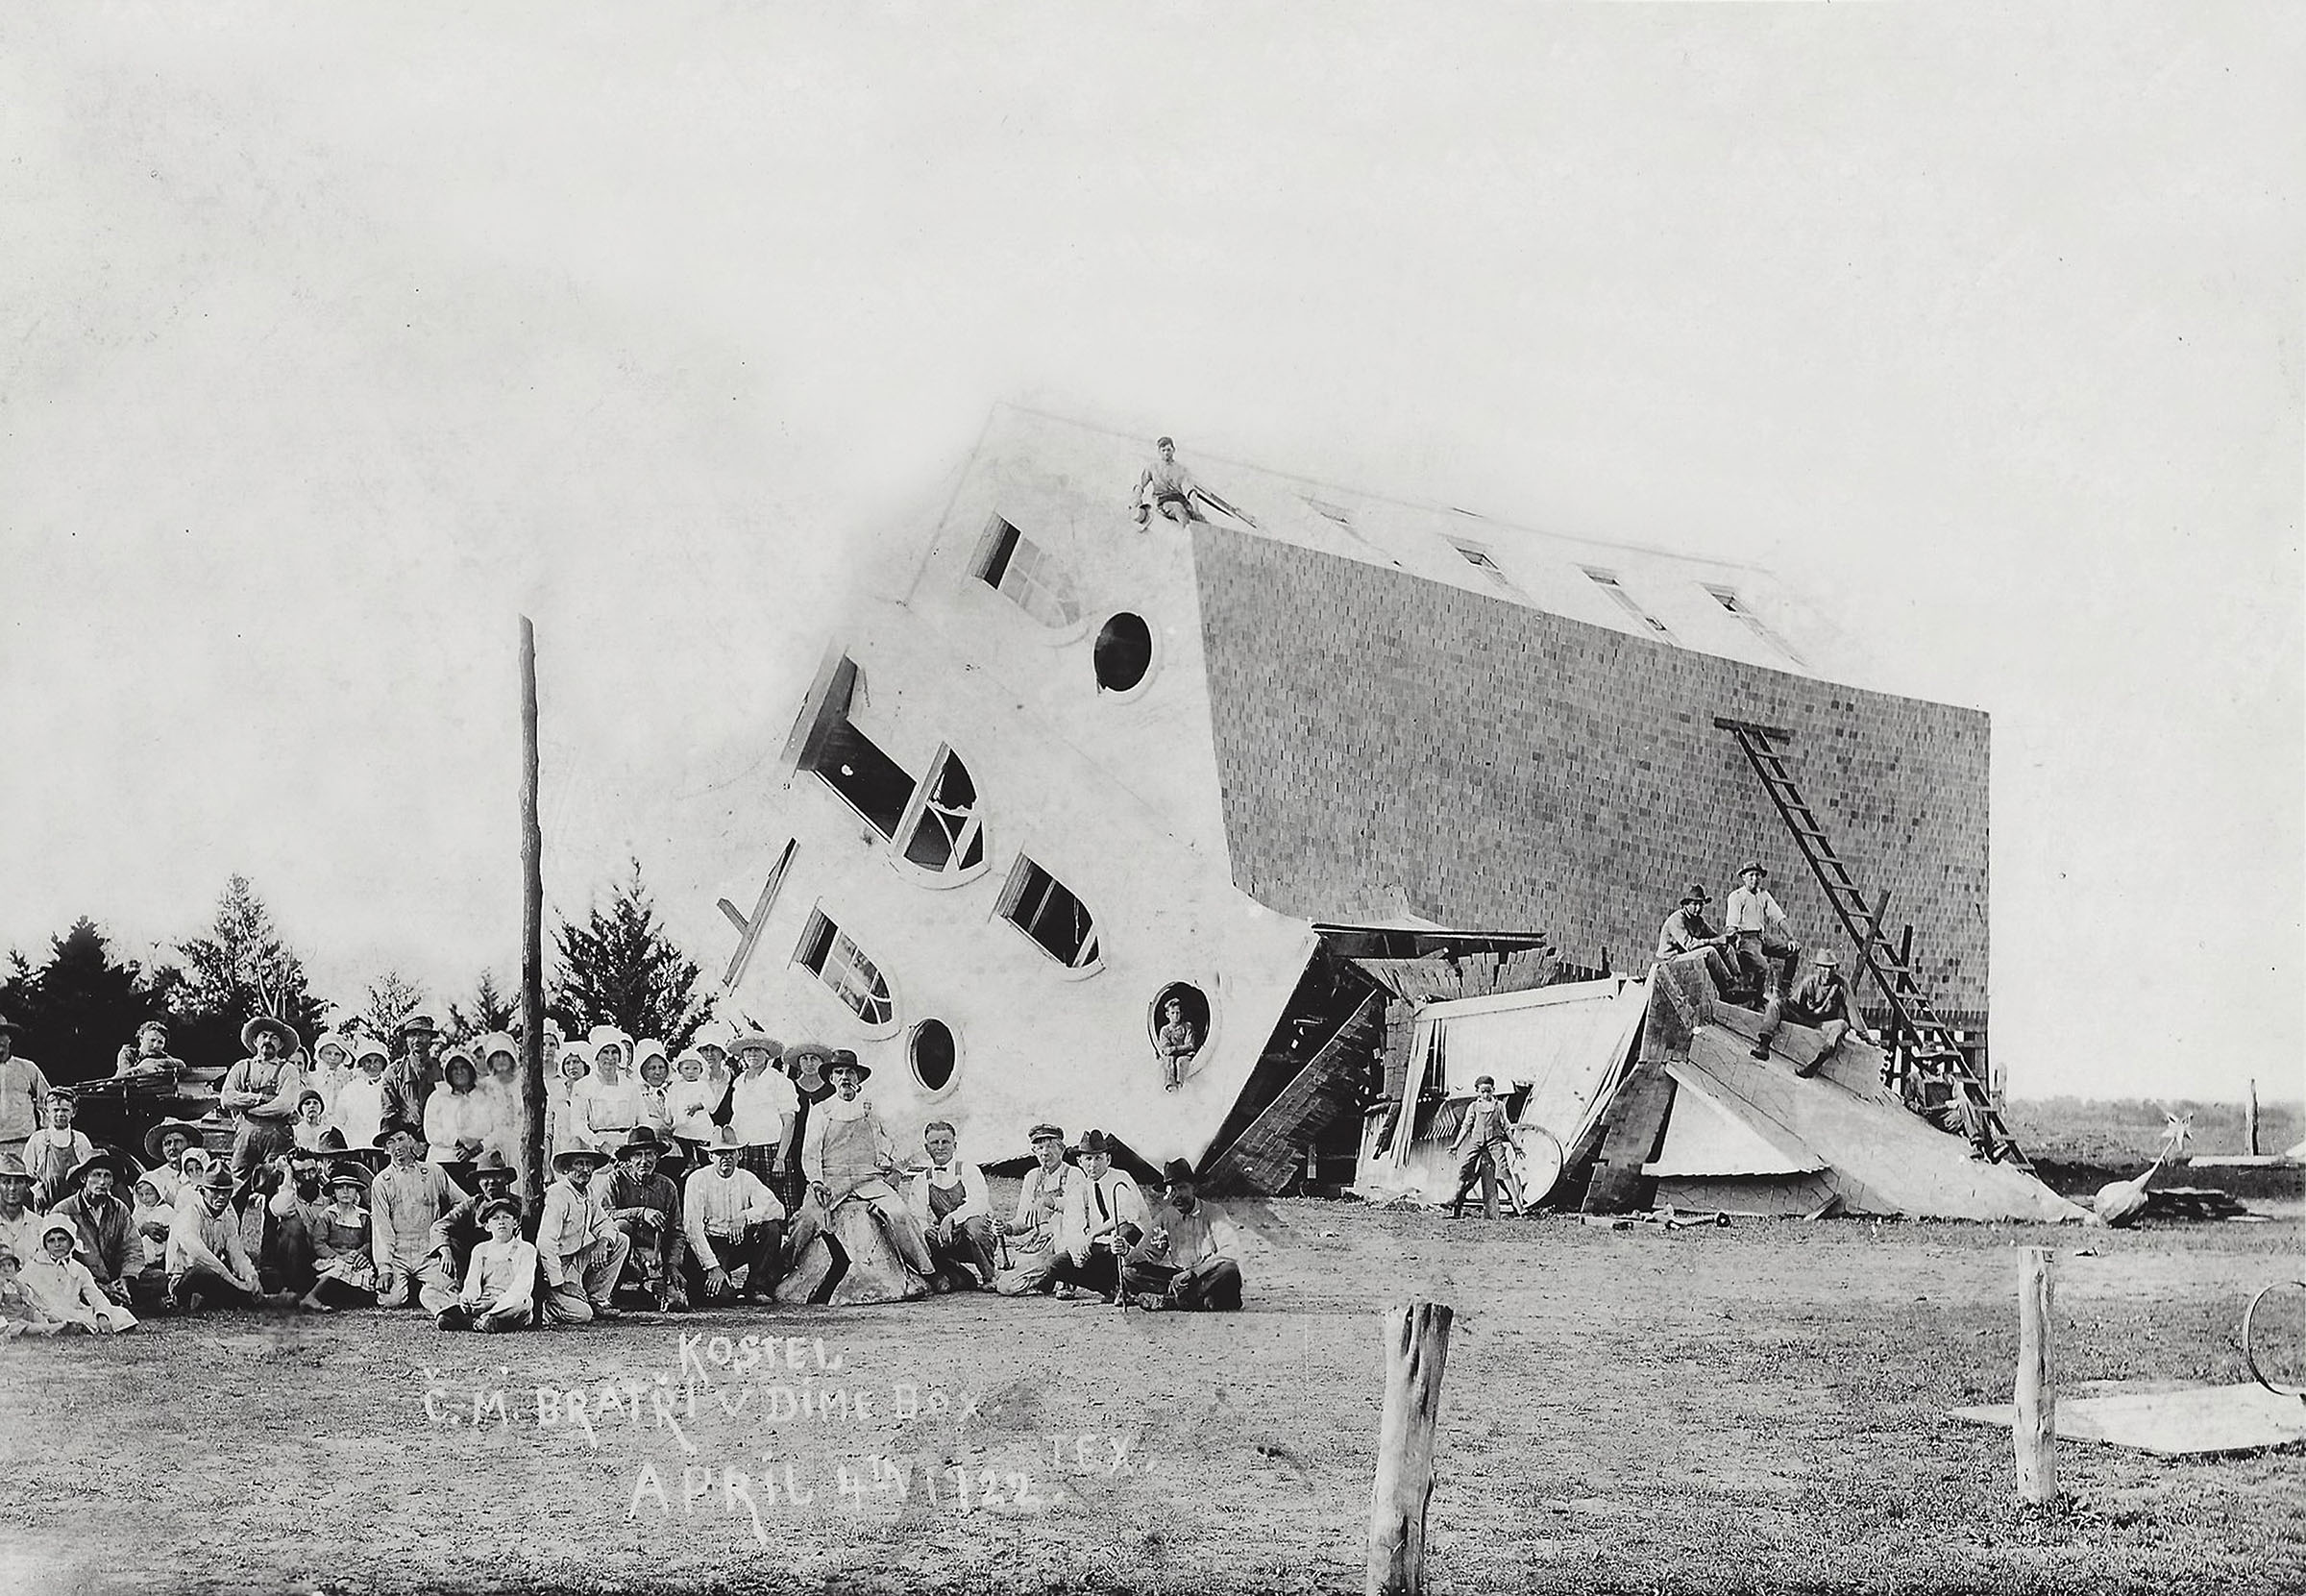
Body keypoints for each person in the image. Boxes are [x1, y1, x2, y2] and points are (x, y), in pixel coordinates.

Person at [795, 1053, 932, 1279]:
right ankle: (771, 1275)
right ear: (831, 1078)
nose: (844, 1078)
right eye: (839, 1073)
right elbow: (810, 1153)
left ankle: (927, 1269)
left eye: (850, 1072)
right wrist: (816, 1181)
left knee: (900, 1214)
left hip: (869, 1178)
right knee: (806, 1219)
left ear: (859, 1078)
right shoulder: (821, 1109)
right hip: (831, 1179)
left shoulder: (872, 1108)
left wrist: (897, 1171)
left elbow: (903, 1141)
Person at [368, 1118, 469, 1310]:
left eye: (400, 1139)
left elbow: (463, 1202)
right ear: (384, 1149)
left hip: (429, 1248)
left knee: (449, 1290)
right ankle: (405, 1286)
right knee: (391, 1300)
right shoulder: (381, 1182)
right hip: (398, 1250)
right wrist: (384, 1268)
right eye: (390, 1142)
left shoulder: (433, 1171)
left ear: (411, 1141)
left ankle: (426, 1291)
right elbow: (381, 1228)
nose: (397, 1147)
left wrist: (444, 1233)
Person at [682, 1126, 786, 1305]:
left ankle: (756, 1286)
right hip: (710, 1244)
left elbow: (778, 1209)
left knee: (772, 1229)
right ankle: (723, 1283)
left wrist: (745, 1217)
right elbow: (692, 1229)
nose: (726, 1157)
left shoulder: (747, 1178)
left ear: (740, 1155)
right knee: (722, 1298)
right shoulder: (698, 1179)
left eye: (731, 1152)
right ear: (710, 1156)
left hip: (737, 1243)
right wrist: (712, 1266)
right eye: (720, 1153)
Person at [1122, 1161, 1243, 1312]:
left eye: (1182, 1188)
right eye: (1171, 1190)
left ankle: (1174, 1302)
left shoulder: (1214, 1213)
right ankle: (1195, 1300)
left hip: (1209, 1275)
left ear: (1194, 1187)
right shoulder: (1165, 1218)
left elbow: (1230, 1251)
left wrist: (1194, 1272)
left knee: (1229, 1270)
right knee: (1131, 1272)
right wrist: (1126, 1251)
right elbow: (1146, 1253)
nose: (1177, 1195)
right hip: (1180, 1280)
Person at [536, 1142, 629, 1323]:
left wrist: (602, 1242)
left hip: (575, 1260)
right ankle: (546, 1305)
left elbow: (605, 1223)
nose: (585, 1169)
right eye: (579, 1163)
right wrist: (560, 1284)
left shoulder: (588, 1192)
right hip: (553, 1267)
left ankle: (597, 1299)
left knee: (620, 1240)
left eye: (589, 1164)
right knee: (582, 1314)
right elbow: (545, 1244)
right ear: (566, 1168)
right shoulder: (558, 1194)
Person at [598, 1126, 687, 1312]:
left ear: (658, 1157)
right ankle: (608, 1291)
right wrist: (641, 1212)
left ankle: (647, 1289)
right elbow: (603, 1215)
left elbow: (677, 1232)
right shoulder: (614, 1180)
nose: (644, 1161)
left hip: (652, 1258)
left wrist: (672, 1264)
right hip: (619, 1255)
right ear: (629, 1159)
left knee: (677, 1302)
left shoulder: (667, 1187)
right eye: (638, 1155)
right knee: (620, 1227)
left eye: (649, 1154)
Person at [1050, 1129, 1144, 1302]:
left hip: (1128, 1243)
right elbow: (1072, 1226)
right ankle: (1110, 1289)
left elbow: (1127, 1215)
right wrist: (1077, 1248)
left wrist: (1093, 1234)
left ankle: (1127, 1287)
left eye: (1098, 1158)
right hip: (1100, 1247)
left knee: (1126, 1232)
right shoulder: (1079, 1188)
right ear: (1080, 1162)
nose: (1093, 1164)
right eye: (1088, 1159)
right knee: (1056, 1264)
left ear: (1108, 1159)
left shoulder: (1120, 1178)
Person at [903, 1120, 996, 1292]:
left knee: (975, 1225)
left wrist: (951, 1218)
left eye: (945, 1142)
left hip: (973, 1239)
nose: (940, 1147)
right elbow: (917, 1217)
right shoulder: (921, 1180)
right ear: (926, 1148)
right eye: (934, 1143)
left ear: (955, 1145)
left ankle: (989, 1276)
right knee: (921, 1234)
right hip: (946, 1240)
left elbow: (979, 1204)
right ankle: (950, 1271)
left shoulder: (969, 1170)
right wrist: (927, 1230)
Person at [424, 1147, 522, 1307]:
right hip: (474, 1270)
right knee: (429, 1292)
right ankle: (458, 1304)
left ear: (505, 1179)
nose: (490, 1182)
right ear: (479, 1182)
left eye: (496, 1176)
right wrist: (445, 1250)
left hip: (507, 1271)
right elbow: (439, 1226)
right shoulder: (472, 1205)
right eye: (485, 1177)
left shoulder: (520, 1205)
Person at [219, 1016, 307, 1192]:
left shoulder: (288, 1070)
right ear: (255, 1041)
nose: (268, 1040)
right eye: (263, 1036)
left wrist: (246, 1107)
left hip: (277, 1137)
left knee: (275, 1187)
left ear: (281, 1045)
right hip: (245, 1137)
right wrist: (258, 1099)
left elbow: (284, 1106)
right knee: (236, 1185)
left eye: (274, 1037)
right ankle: (235, 1221)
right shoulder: (242, 1067)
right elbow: (226, 1098)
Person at [166, 1165, 265, 1311]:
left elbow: (237, 1255)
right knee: (201, 1273)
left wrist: (251, 1276)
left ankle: (219, 1299)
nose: (221, 1197)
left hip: (216, 1276)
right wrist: (235, 1282)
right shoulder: (190, 1214)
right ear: (202, 1191)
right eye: (214, 1191)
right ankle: (247, 1299)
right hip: (183, 1279)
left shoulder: (227, 1219)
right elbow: (199, 1255)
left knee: (266, 1275)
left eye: (226, 1192)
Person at [997, 1122, 1080, 1295]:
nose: (1045, 1152)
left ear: (1062, 1149)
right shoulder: (1032, 1177)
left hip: (1068, 1244)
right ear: (1033, 1151)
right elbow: (1023, 1220)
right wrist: (1007, 1228)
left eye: (1050, 1146)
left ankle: (1067, 1282)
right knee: (1005, 1285)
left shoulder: (1073, 1174)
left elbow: (1078, 1211)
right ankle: (1044, 1281)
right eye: (1039, 1147)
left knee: (1058, 1221)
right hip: (1041, 1244)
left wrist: (1048, 1201)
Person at [434, 1198, 537, 1333]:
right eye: (495, 1218)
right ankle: (483, 1323)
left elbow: (522, 1286)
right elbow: (472, 1282)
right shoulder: (481, 1250)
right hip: (483, 1302)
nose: (501, 1222)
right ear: (487, 1226)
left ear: (515, 1223)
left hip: (507, 1305)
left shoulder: (526, 1249)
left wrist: (494, 1301)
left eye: (506, 1217)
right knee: (441, 1310)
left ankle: (479, 1321)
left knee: (524, 1301)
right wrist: (469, 1300)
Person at [50, 1151, 137, 1305]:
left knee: (157, 1279)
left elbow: (132, 1247)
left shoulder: (119, 1209)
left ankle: (120, 1294)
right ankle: (114, 1298)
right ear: (84, 1178)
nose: (102, 1182)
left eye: (107, 1176)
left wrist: (125, 1278)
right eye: (96, 1175)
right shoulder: (63, 1211)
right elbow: (58, 1257)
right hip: (82, 1279)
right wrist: (101, 1286)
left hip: (115, 1275)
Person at [1724, 862, 1802, 1036]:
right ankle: (1757, 999)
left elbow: (1778, 917)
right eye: (1751, 875)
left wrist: (1791, 938)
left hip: (1761, 937)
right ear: (1743, 877)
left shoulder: (1763, 895)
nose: (1755, 878)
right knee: (1763, 966)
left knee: (1793, 951)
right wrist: (1733, 939)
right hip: (1745, 938)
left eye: (1758, 875)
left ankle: (1784, 989)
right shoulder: (1736, 896)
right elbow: (1731, 924)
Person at [21, 1216, 136, 1333]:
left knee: (120, 1314)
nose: (57, 1245)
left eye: (62, 1239)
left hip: (74, 1310)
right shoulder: (33, 1266)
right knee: (56, 1315)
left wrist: (102, 1316)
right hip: (48, 1312)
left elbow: (95, 1295)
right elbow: (16, 1285)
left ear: (71, 1242)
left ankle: (83, 1326)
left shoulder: (78, 1268)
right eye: (51, 1241)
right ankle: (70, 1327)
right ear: (44, 1244)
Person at [1763, 948, 1869, 1072]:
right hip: (1803, 1018)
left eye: (1831, 967)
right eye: (1824, 967)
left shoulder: (1841, 985)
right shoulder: (1809, 982)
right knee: (1775, 1003)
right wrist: (1780, 1003)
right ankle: (1764, 1045)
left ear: (1836, 968)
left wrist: (1866, 1037)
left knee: (1842, 1025)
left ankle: (1815, 1065)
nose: (1827, 971)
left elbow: (1853, 1013)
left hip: (1822, 1025)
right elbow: (1794, 1003)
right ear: (1818, 968)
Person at [301, 1162, 380, 1312]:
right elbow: (319, 1244)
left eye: (350, 1187)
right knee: (340, 1268)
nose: (345, 1192)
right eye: (340, 1188)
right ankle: (311, 1297)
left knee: (365, 1278)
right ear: (334, 1192)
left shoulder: (363, 1216)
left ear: (356, 1191)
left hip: (355, 1259)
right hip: (333, 1259)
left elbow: (369, 1242)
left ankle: (343, 1296)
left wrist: (359, 1254)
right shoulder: (328, 1215)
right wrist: (338, 1256)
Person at [261, 1143, 334, 1296]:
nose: (307, 1178)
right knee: (292, 1224)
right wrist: (287, 1173)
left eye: (311, 1171)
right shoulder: (287, 1195)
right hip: (292, 1260)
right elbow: (281, 1209)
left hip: (323, 1258)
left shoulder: (327, 1197)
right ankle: (298, 1286)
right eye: (301, 1173)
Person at [729, 1033, 797, 1189]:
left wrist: (780, 1159)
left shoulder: (779, 1080)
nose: (752, 1054)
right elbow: (737, 1118)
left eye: (758, 1050)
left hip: (770, 1151)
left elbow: (789, 1122)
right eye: (749, 1050)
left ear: (767, 1054)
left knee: (774, 1205)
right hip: (743, 1152)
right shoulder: (739, 1082)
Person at [1448, 1076, 1522, 1218]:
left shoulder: (1499, 1106)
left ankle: (1516, 1202)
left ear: (1493, 1090)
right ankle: (1456, 1197)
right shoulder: (1474, 1107)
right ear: (1477, 1092)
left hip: (1494, 1141)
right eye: (1483, 1091)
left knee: (1503, 1168)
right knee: (1466, 1167)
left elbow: (1506, 1126)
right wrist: (1456, 1145)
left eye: (1489, 1091)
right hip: (1477, 1141)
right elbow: (1465, 1127)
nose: (1486, 1094)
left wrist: (1515, 1146)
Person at [1656, 882, 1740, 994]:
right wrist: (1715, 941)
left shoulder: (1698, 921)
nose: (1698, 908)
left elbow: (1714, 936)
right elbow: (1690, 945)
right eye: (1695, 904)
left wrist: (1727, 938)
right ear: (1686, 905)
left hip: (1682, 958)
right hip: (1668, 961)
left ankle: (1737, 981)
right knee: (1710, 952)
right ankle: (1727, 987)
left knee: (1725, 947)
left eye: (1701, 904)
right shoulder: (1677, 919)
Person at [23, 1088, 96, 1209]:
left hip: (76, 1205)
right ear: (47, 1111)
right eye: (55, 1110)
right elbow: (26, 1170)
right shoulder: (38, 1139)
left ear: (74, 1112)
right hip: (47, 1203)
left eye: (65, 1110)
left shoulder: (80, 1140)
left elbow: (91, 1170)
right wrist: (37, 1189)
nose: (60, 1114)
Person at [575, 1027, 644, 1149]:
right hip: (596, 1147)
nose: (610, 1057)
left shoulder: (631, 1087)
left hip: (629, 1146)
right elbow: (578, 1125)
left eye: (614, 1052)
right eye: (605, 1052)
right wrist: (600, 1145)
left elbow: (643, 1120)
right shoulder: (583, 1086)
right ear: (596, 1056)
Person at [423, 1048, 489, 1172]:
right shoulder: (437, 1097)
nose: (459, 1072)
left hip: (478, 1159)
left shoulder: (483, 1097)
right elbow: (431, 1131)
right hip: (442, 1158)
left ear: (471, 1070)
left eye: (463, 1067)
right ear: (448, 1073)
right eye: (454, 1068)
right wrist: (457, 1140)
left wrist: (475, 1148)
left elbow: (491, 1128)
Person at [0, 1012, 53, 1163]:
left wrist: (46, 1137)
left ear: (10, 1038)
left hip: (23, 1145)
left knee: (25, 1184)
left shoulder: (28, 1069)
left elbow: (48, 1103)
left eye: (2, 1034)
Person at [380, 1013, 445, 1131]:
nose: (417, 1040)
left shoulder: (442, 1068)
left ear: (430, 1038)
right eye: (412, 1035)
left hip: (438, 1131)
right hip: (406, 1133)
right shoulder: (394, 1071)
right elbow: (388, 1111)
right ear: (406, 1039)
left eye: (422, 1035)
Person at [473, 1032, 526, 1164]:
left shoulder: (523, 1082)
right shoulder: (484, 1087)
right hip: (493, 1147)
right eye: (496, 1055)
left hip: (521, 1145)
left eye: (505, 1055)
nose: (501, 1059)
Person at [333, 1040, 392, 1153]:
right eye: (368, 1061)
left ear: (383, 1064)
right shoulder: (351, 1089)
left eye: (377, 1061)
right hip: (357, 1144)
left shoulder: (389, 1087)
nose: (372, 1065)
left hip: (382, 1144)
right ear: (361, 1064)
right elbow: (340, 1118)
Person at [1134, 436, 1205, 528]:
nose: (1166, 453)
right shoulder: (1153, 467)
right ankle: (1187, 537)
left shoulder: (1181, 469)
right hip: (1163, 500)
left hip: (1181, 500)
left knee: (1201, 520)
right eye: (1163, 450)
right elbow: (1140, 485)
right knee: (1178, 509)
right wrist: (1136, 498)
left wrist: (1196, 510)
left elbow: (1190, 491)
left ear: (1173, 450)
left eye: (1168, 450)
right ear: (1159, 452)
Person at [664, 1050, 721, 1159]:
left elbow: (712, 1103)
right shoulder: (676, 1087)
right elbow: (670, 1103)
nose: (691, 1072)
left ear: (701, 1070)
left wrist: (699, 1106)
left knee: (702, 1149)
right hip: (682, 1124)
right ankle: (689, 1161)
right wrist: (668, 1118)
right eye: (687, 1068)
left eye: (695, 1068)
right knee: (683, 1144)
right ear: (680, 1070)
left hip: (699, 1124)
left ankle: (701, 1162)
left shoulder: (702, 1085)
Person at [128, 1175, 174, 1300]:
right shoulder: (138, 1213)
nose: (145, 1198)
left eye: (149, 1194)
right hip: (140, 1257)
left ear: (158, 1191)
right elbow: (130, 1232)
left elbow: (174, 1231)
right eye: (141, 1195)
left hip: (161, 1255)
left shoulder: (166, 1211)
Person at [0, 1248, 64, 1336]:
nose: (6, 1269)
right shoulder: (2, 1285)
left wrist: (16, 1282)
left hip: (23, 1312)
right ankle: (48, 1328)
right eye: (2, 1266)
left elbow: (26, 1293)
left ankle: (46, 1327)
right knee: (22, 1325)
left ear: (15, 1268)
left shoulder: (18, 1282)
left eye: (9, 1265)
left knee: (35, 1314)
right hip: (9, 1317)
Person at [112, 1019, 184, 1094]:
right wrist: (143, 1067)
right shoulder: (128, 1053)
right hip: (128, 1094)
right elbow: (124, 1076)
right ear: (141, 1039)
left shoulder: (162, 1057)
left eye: (160, 1042)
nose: (156, 1045)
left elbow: (181, 1064)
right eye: (152, 1040)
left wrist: (153, 1062)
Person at [0, 1154, 45, 1268]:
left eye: (19, 1182)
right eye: (6, 1182)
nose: (12, 1188)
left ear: (27, 1186)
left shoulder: (39, 1225)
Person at [1154, 997, 1203, 1093]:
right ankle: (1171, 1087)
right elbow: (1166, 1048)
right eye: (1173, 1013)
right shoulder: (1165, 1030)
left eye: (1178, 1012)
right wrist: (1171, 1050)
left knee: (1181, 1061)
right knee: (1169, 1060)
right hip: (1172, 1056)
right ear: (1167, 1015)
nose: (1176, 1016)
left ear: (1182, 1013)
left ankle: (1182, 1086)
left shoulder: (1187, 1026)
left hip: (1186, 1055)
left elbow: (1190, 1045)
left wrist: (1175, 1049)